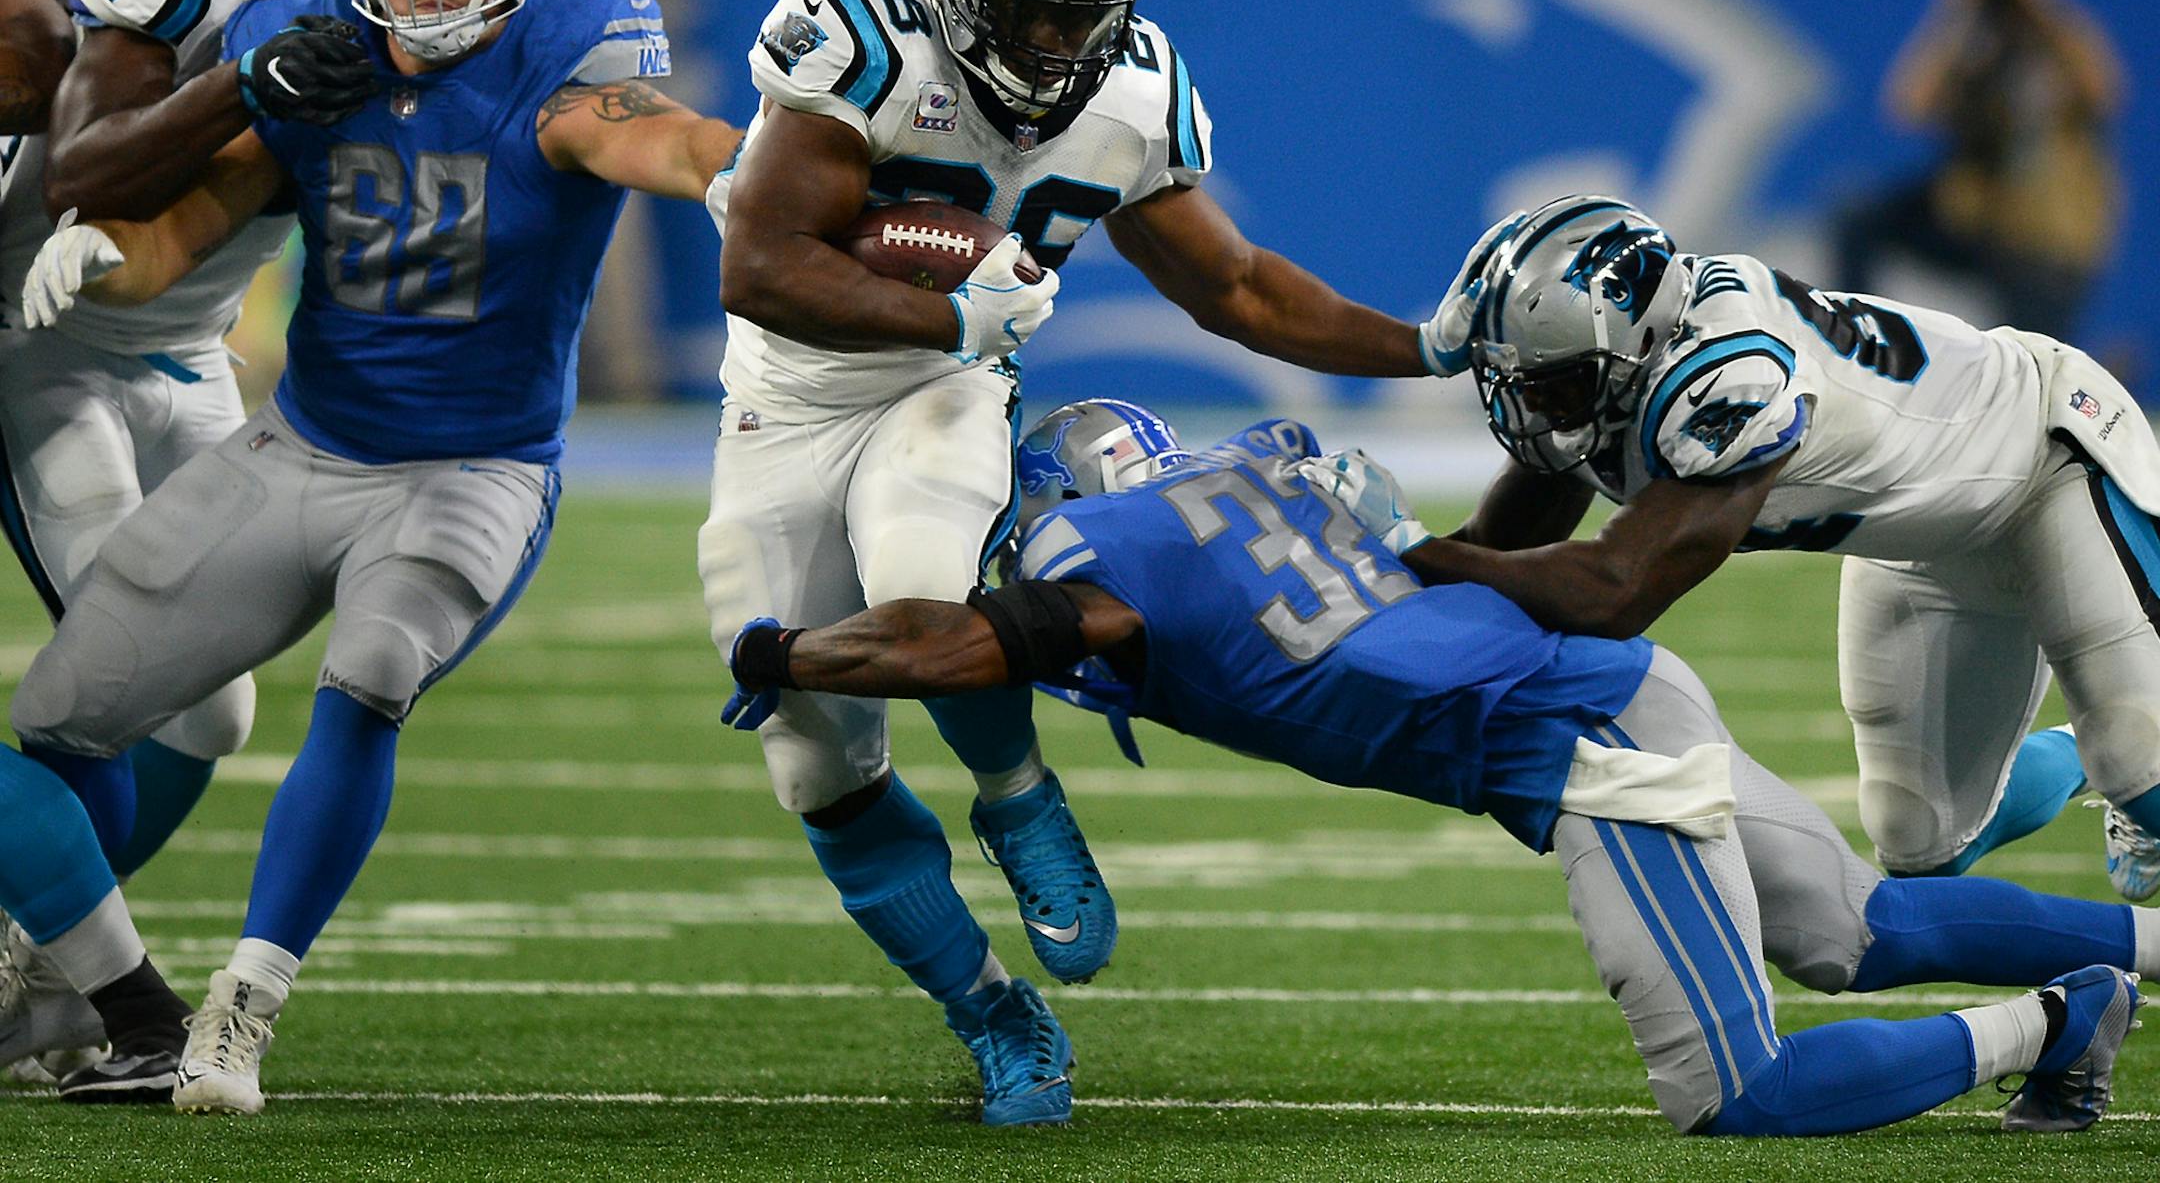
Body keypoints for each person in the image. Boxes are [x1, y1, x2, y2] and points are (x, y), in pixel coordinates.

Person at [720, 399, 2154, 1135]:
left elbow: (952, 641)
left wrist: (787, 654)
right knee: (1859, 929)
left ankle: (2055, 1018)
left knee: (1739, 1094)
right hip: (1618, 688)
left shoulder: (1101, 556)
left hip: (1574, 748)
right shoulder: (1267, 466)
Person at [12, 0, 742, 1115]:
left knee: (372, 672)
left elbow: (643, 132)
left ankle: (239, 1008)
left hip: (473, 467)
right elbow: (178, 237)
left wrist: (732, 175)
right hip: (300, 446)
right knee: (64, 719)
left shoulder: (576, 35)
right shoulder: (308, 41)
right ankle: (56, 971)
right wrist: (99, 260)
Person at [704, 0, 1443, 1125]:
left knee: (927, 604)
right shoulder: (862, 37)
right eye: (1027, 7)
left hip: (943, 395)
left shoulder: (1134, 95)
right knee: (815, 765)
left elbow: (1239, 286)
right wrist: (955, 318)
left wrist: (1432, 349)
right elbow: (760, 265)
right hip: (789, 399)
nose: (1054, 42)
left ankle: (1017, 791)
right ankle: (996, 1011)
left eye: (1081, 13)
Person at [1391, 194, 2160, 905]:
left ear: (1644, 340)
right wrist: (1363, 560)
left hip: (2047, 462)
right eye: (1520, 381)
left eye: (1554, 383)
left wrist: (1413, 547)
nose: (1534, 406)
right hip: (1919, 538)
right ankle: (2088, 757)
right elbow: (1498, 549)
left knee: (2142, 758)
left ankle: (2126, 765)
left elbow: (1614, 593)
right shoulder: (1612, 381)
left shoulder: (1732, 374)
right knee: (1923, 843)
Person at [20, 0, 387, 895]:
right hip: (48, 343)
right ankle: (84, 970)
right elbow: (83, 168)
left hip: (189, 350)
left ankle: (42, 954)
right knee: (109, 683)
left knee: (214, 711)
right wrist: (244, 75)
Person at [0, 0, 199, 1105]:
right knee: (151, 700)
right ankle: (76, 975)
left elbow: (39, 42)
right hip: (50, 359)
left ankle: (124, 999)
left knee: (169, 698)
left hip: (58, 358)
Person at [1832, 0, 2123, 342]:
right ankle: (1861, 343)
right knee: (1857, 218)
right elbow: (1907, 106)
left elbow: (2105, 93)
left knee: (2037, 352)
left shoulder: (2062, 38)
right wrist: (1958, 7)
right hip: (1974, 211)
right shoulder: (1972, 38)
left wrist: (2037, 3)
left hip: (2042, 224)